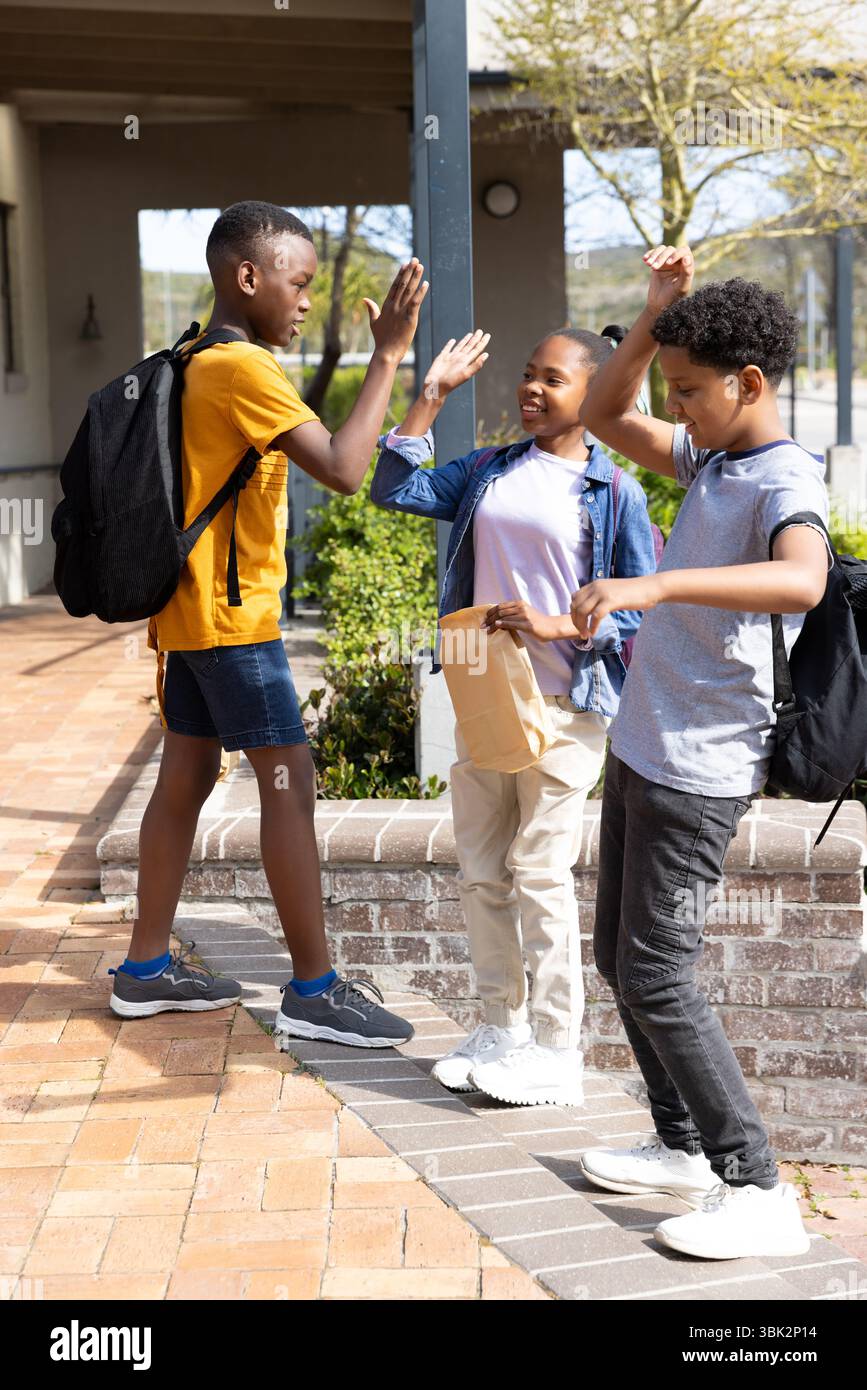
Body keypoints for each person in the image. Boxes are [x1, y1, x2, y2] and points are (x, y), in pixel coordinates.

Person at [109, 200, 427, 1049]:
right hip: (231, 622)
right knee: (289, 783)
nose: (304, 303)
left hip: (186, 617)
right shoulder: (244, 369)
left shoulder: (191, 354)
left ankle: (144, 971)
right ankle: (314, 990)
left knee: (183, 779)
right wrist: (390, 352)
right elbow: (347, 468)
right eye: (298, 283)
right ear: (246, 277)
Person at [572, 244, 830, 1259]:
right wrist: (655, 315)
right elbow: (601, 412)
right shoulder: (714, 455)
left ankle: (757, 1186)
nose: (673, 408)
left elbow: (803, 581)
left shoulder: (782, 473)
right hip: (646, 742)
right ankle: (680, 1143)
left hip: (704, 764)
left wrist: (656, 587)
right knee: (617, 958)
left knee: (661, 973)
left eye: (688, 391)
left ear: (749, 384)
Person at [371, 326, 657, 1104]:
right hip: (486, 695)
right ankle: (502, 1026)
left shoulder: (613, 492)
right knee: (481, 870)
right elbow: (395, 489)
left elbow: (648, 604)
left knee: (538, 869)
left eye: (552, 380)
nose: (531, 389)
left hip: (566, 707)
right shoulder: (491, 471)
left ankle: (558, 1049)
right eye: (527, 376)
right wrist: (429, 396)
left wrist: (560, 624)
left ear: (594, 396)